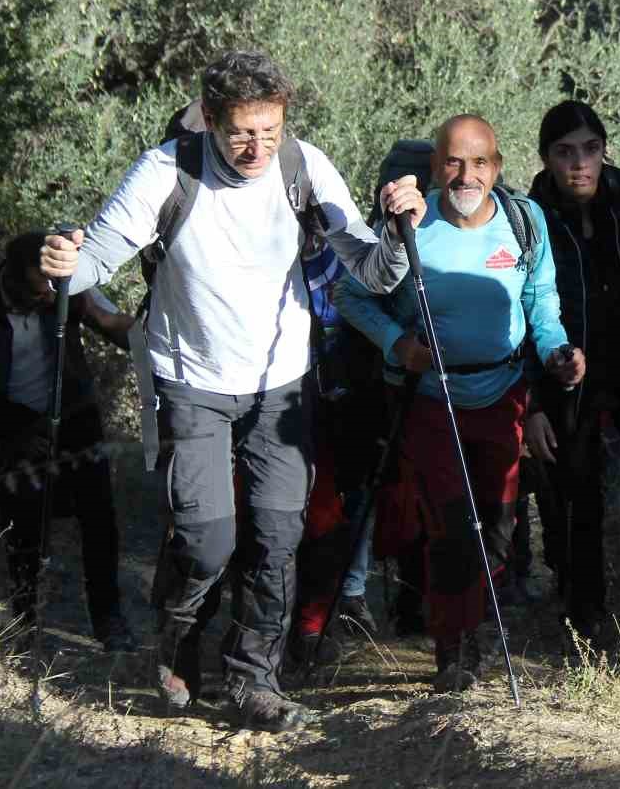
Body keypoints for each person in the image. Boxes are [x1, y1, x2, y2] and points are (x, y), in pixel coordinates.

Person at [38, 49, 425, 731]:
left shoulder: (305, 167)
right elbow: (97, 256)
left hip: (281, 385)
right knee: (206, 538)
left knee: (277, 536)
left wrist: (401, 231)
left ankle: (254, 679)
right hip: (190, 383)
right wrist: (66, 265)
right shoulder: (167, 171)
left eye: (270, 132)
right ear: (210, 120)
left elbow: (372, 269)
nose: (257, 148)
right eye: (242, 132)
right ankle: (181, 638)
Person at [336, 114, 585, 692]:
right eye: (453, 162)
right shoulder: (408, 222)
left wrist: (557, 351)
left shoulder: (525, 221)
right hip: (431, 397)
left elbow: (540, 299)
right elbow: (352, 296)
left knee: (497, 526)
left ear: (497, 167)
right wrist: (398, 345)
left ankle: (471, 629)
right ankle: (456, 652)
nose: (465, 175)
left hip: (503, 394)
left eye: (478, 162)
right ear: (434, 168)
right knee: (451, 525)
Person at [521, 101, 620, 640]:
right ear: (545, 158)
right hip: (567, 371)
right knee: (575, 490)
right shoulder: (528, 218)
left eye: (590, 149)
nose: (579, 164)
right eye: (565, 152)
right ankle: (583, 606)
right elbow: (518, 307)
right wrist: (534, 399)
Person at [0, 232, 136, 651]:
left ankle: (109, 622)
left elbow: (126, 334)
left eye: (51, 290)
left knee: (100, 520)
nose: (46, 297)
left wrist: (91, 309)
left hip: (75, 418)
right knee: (24, 526)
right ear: (9, 275)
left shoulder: (69, 287)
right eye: (35, 290)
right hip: (8, 424)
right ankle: (26, 620)